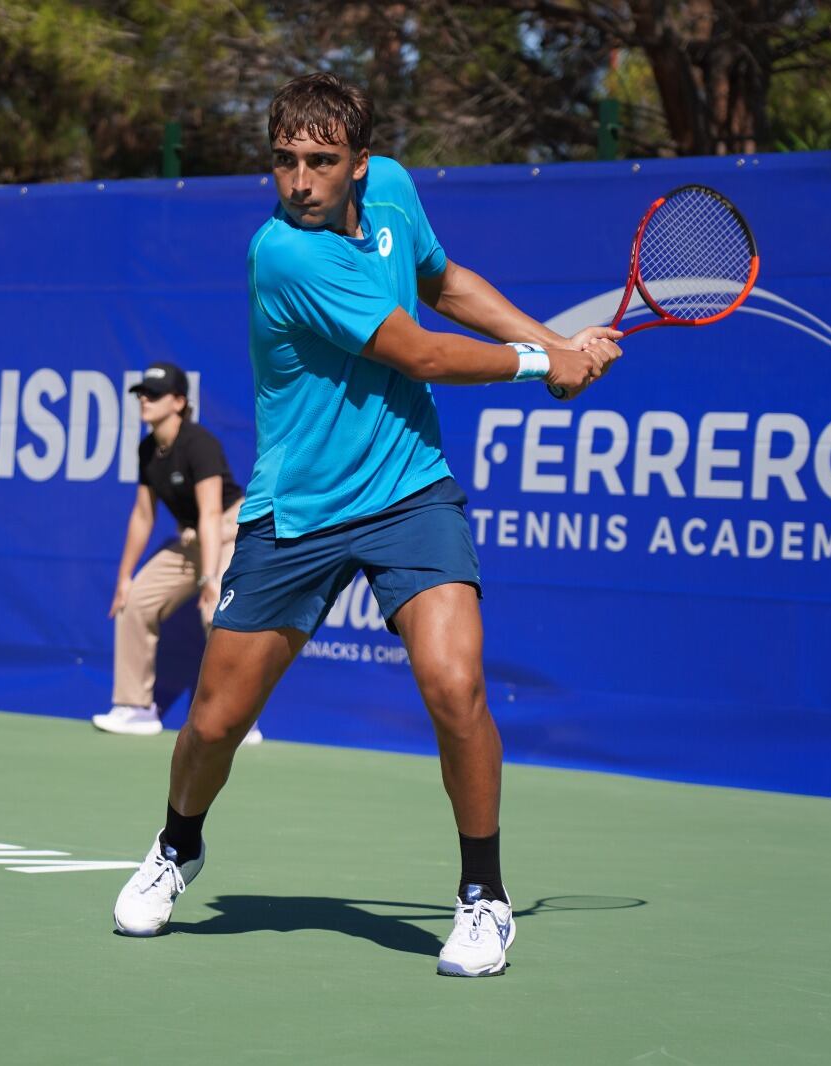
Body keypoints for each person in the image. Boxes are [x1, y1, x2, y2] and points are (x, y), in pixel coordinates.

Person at [110, 73, 622, 977]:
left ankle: (483, 900)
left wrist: (557, 344)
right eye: (284, 161)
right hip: (297, 511)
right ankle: (176, 845)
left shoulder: (392, 189)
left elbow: (445, 281)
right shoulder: (284, 255)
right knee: (214, 724)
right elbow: (418, 349)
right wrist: (545, 363)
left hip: (409, 491)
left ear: (358, 163)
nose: (299, 181)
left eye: (320, 162)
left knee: (454, 684)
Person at [92, 361, 262, 746]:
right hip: (192, 538)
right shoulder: (148, 450)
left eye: (154, 394)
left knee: (216, 609)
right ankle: (135, 708)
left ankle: (237, 718)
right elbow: (142, 515)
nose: (144, 401)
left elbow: (212, 511)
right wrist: (124, 577)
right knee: (135, 601)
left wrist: (208, 578)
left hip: (230, 530)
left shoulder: (199, 443)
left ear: (180, 402)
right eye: (141, 394)